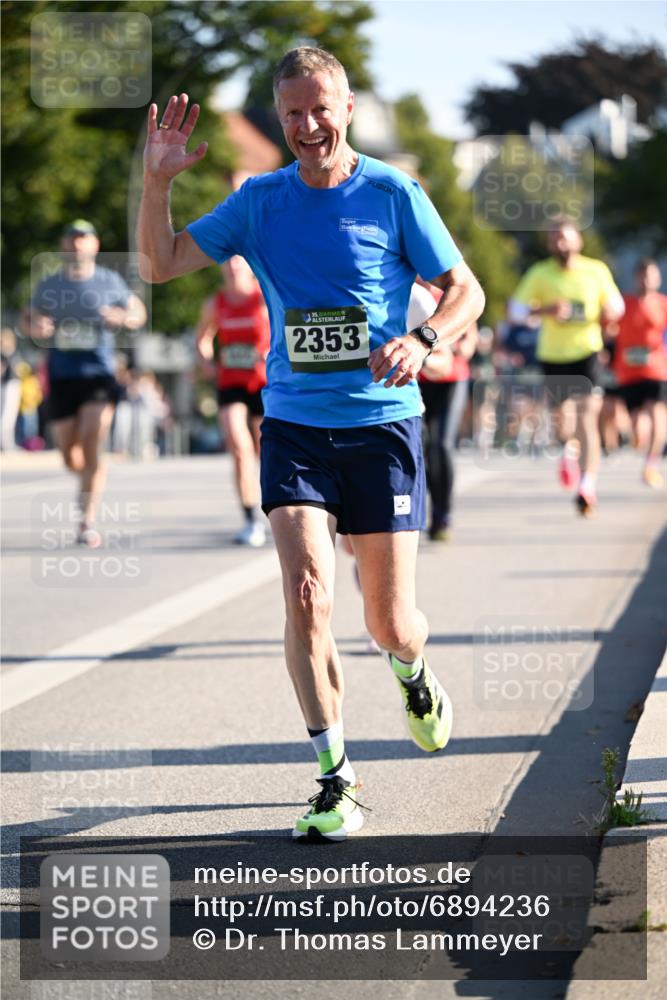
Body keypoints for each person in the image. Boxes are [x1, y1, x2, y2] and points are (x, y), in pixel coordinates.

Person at [138, 48, 484, 841]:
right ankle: (336, 778)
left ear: (349, 107)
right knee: (304, 597)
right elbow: (159, 265)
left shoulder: (393, 192)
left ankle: (411, 669)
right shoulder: (259, 202)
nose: (306, 126)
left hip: (382, 426)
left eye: (320, 108)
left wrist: (424, 335)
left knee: (389, 622)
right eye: (291, 113)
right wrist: (156, 183)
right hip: (293, 424)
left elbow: (467, 288)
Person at [21, 220, 146, 545]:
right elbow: (28, 318)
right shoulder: (50, 285)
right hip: (62, 375)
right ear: (64, 245)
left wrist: (123, 318)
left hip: (99, 374)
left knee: (93, 440)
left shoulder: (110, 281)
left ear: (95, 245)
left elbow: (138, 313)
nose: (78, 245)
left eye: (84, 239)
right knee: (70, 457)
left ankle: (86, 521)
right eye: (72, 239)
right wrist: (37, 326)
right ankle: (90, 474)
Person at [509, 221, 624, 515]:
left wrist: (610, 310)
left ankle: (587, 484)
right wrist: (544, 310)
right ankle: (570, 451)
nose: (560, 243)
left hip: (587, 351)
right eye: (554, 239)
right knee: (564, 422)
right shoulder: (540, 273)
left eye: (565, 238)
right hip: (553, 355)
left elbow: (616, 304)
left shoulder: (596, 270)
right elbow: (516, 311)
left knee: (588, 417)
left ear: (578, 241)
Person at [196, 255, 270, 546]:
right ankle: (250, 519)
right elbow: (202, 337)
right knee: (240, 450)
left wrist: (273, 353)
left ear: (250, 265)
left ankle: (279, 512)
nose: (232, 266)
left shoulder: (264, 296)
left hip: (264, 383)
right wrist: (206, 361)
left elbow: (286, 325)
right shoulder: (215, 303)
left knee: (269, 452)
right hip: (230, 383)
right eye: (227, 262)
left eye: (238, 261)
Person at [410, 280, 477, 541]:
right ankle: (421, 507)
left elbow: (469, 336)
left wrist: (461, 347)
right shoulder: (405, 290)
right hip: (416, 380)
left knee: (442, 444)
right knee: (421, 446)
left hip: (451, 379)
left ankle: (442, 513)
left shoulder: (451, 293)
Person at [610, 259, 667, 488]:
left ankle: (651, 464)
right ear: (635, 278)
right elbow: (609, 328)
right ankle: (639, 444)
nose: (646, 280)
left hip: (657, 370)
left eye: (650, 275)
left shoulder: (663, 305)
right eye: (642, 275)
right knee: (637, 424)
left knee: (657, 414)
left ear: (658, 278)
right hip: (628, 373)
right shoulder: (623, 304)